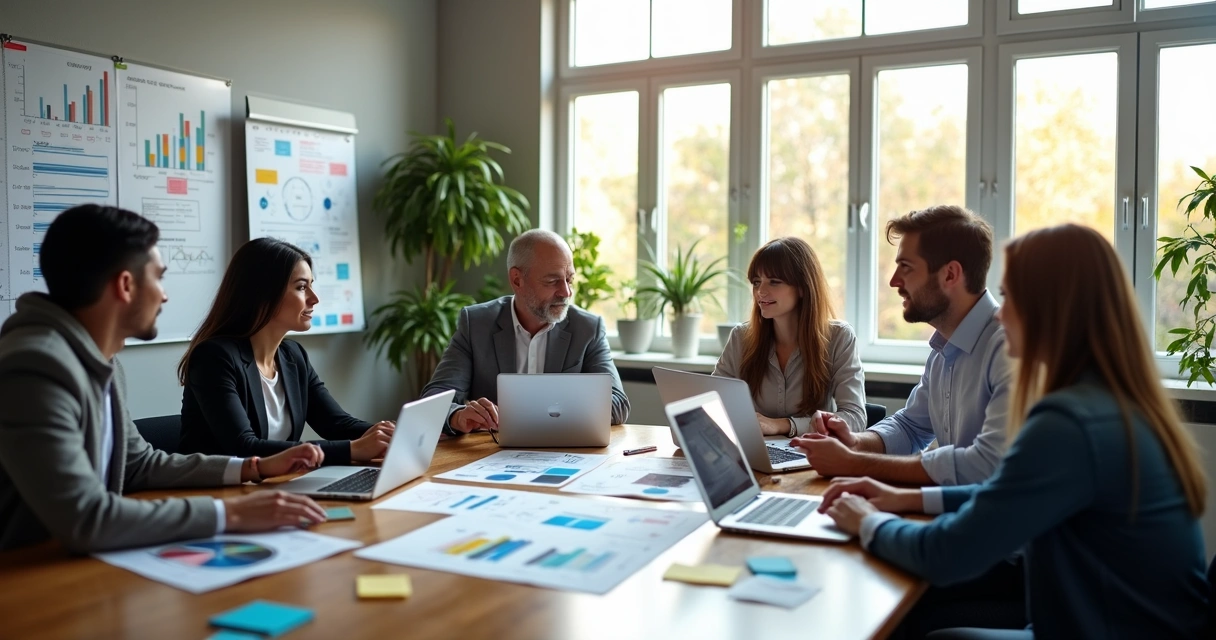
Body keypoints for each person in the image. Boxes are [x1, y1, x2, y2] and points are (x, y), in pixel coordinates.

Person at [821, 224, 1211, 639]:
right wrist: (904, 498)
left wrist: (867, 522)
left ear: (1052, 308)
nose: (1000, 313)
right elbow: (1009, 490)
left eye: (1009, 297)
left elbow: (948, 554)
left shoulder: (1070, 423)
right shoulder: (1110, 401)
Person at [0, 205, 327, 552]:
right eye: (158, 277)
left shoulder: (99, 360)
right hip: (27, 574)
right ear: (126, 285)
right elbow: (86, 517)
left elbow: (139, 464)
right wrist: (229, 513)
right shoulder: (35, 366)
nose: (165, 294)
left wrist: (253, 467)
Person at [793, 205, 1011, 487]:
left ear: (950, 275)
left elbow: (985, 466)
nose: (894, 281)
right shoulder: (943, 348)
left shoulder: (1008, 348)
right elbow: (910, 427)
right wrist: (854, 441)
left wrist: (854, 463)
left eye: (906, 267)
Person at [178, 238, 395, 465]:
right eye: (302, 287)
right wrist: (351, 450)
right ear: (262, 293)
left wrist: (385, 434)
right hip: (216, 493)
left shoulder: (293, 355)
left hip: (274, 486)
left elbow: (335, 423)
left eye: (311, 285)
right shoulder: (214, 357)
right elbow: (244, 447)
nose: (315, 298)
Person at [421, 229, 629, 434]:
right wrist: (458, 416)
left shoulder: (587, 328)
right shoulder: (476, 324)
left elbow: (618, 404)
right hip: (490, 454)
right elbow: (434, 399)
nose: (566, 292)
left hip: (563, 451)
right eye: (552, 281)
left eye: (569, 279)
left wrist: (547, 409)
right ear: (517, 280)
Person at [712, 237, 866, 437]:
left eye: (774, 282)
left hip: (813, 456)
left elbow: (855, 418)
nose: (761, 291)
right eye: (757, 282)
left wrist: (783, 425)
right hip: (755, 454)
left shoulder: (839, 337)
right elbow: (712, 404)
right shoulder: (741, 337)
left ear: (803, 288)